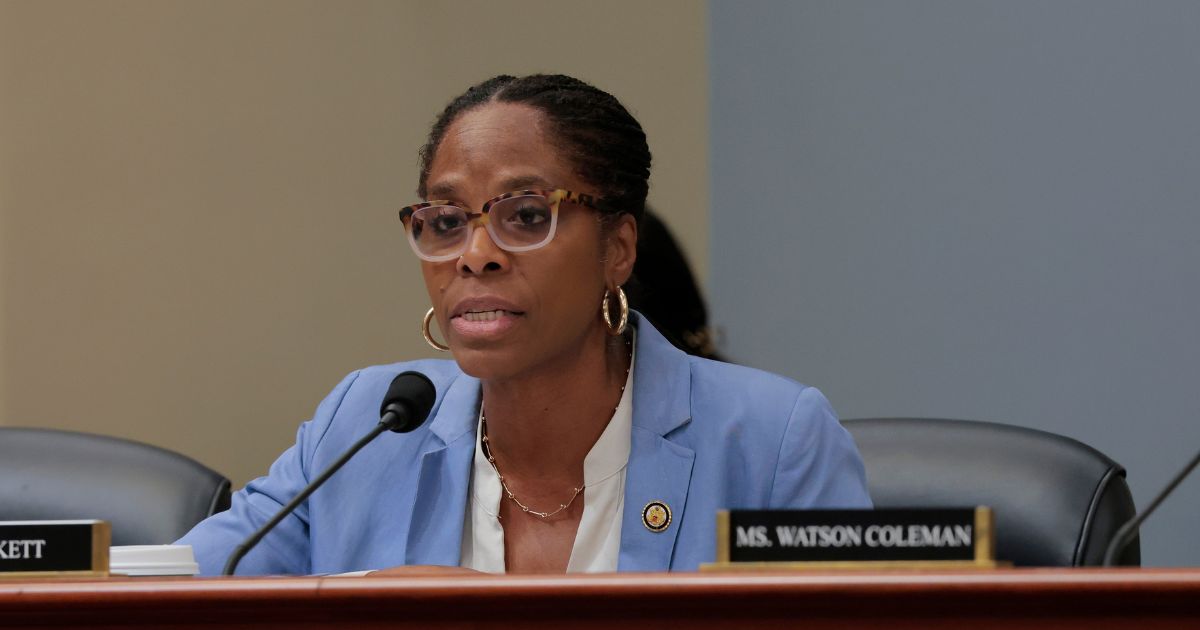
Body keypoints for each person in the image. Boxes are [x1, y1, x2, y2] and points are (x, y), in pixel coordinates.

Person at [178, 74, 870, 575]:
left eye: (528, 216)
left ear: (618, 249)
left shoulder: (774, 443)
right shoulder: (366, 422)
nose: (475, 256)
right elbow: (178, 585)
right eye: (447, 222)